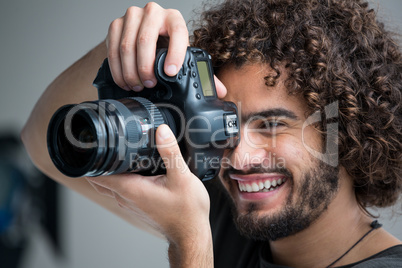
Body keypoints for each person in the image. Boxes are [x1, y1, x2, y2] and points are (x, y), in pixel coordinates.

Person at [22, 0, 402, 267]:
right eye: (226, 124)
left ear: (348, 132)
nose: (238, 158)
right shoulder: (234, 219)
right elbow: (40, 142)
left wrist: (191, 243)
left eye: (271, 125)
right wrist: (128, 51)